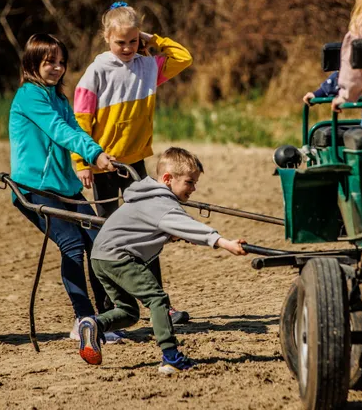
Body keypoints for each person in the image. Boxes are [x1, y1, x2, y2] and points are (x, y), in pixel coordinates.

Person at [72, 1, 193, 323]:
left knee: (149, 230)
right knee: (111, 237)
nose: (127, 48)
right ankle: (114, 307)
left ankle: (160, 304)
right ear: (106, 39)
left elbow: (184, 57)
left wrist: (154, 40)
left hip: (136, 163)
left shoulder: (148, 66)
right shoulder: (95, 72)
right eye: (120, 42)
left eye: (133, 41)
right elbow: (80, 121)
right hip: (104, 165)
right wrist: (82, 161)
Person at [8, 33, 121, 364]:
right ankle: (82, 320)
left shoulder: (58, 97)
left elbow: (76, 131)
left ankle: (104, 317)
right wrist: (95, 154)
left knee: (100, 240)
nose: (57, 68)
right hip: (35, 189)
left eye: (61, 62)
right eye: (49, 62)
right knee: (72, 245)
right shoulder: (29, 97)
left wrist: (93, 156)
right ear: (32, 64)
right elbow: (60, 131)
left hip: (66, 187)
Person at [85, 147, 248, 374]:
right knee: (157, 299)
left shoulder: (146, 196)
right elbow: (189, 226)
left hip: (100, 257)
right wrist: (225, 243)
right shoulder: (161, 203)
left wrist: (171, 235)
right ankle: (171, 357)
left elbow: (148, 228)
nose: (193, 189)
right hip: (118, 257)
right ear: (168, 179)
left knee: (129, 311)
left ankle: (94, 324)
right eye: (190, 182)